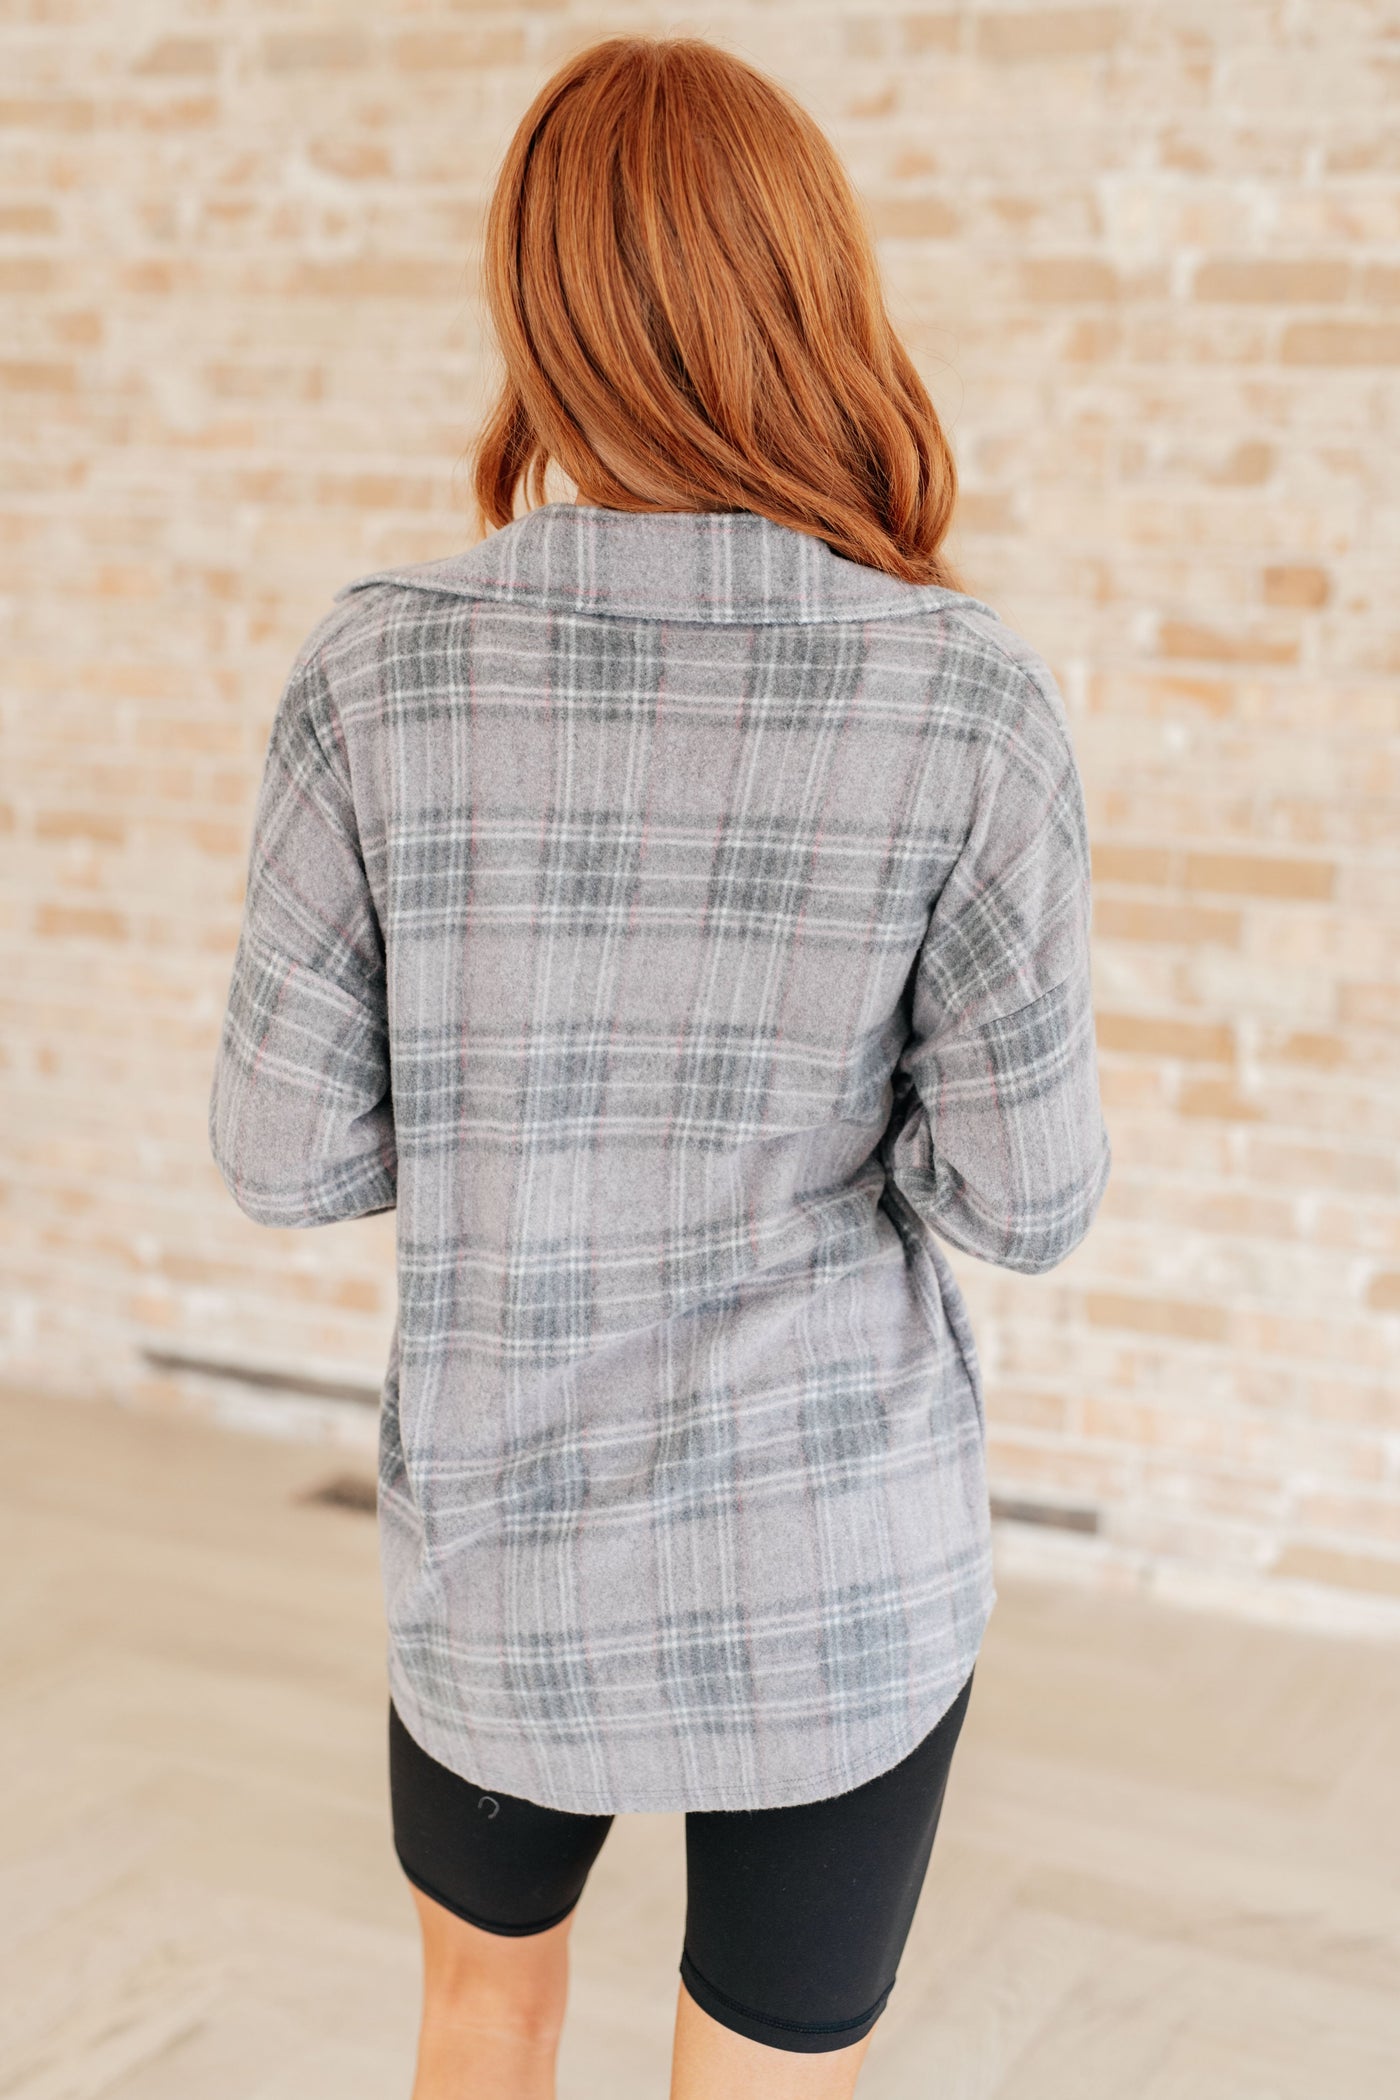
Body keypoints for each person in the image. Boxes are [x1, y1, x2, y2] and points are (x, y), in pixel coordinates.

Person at [208, 32, 1112, 2100]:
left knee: (481, 2019)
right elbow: (1026, 1202)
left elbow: (281, 1153)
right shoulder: (964, 697)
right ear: (813, 288)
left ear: (540, 307)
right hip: (834, 1576)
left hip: (500, 1564)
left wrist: (513, 1092)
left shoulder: (379, 668)